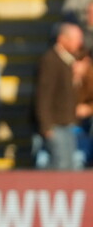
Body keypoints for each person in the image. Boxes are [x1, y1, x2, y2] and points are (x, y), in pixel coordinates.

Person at [34, 22, 84, 169]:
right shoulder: (50, 60)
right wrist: (46, 125)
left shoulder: (69, 60)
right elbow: (43, 95)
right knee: (60, 165)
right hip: (55, 124)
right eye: (76, 39)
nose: (79, 43)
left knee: (69, 165)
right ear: (62, 39)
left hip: (68, 123)